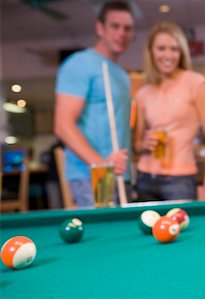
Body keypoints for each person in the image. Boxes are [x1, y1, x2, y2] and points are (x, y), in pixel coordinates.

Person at [54, 0, 135, 207]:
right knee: (106, 238)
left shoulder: (122, 75)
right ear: (100, 28)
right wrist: (101, 165)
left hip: (120, 173)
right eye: (114, 26)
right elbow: (63, 125)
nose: (121, 33)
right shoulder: (79, 64)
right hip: (91, 175)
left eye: (127, 28)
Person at [134, 21, 205, 201]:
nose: (168, 55)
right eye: (161, 48)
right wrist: (144, 144)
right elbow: (137, 145)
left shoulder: (196, 83)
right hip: (145, 177)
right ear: (151, 52)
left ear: (182, 52)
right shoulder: (142, 92)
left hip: (180, 180)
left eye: (174, 49)